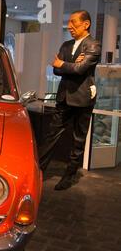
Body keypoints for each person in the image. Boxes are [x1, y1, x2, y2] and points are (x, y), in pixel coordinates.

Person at [39, 10, 101, 190]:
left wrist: (65, 65)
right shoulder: (66, 45)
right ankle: (39, 170)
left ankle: (69, 175)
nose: (69, 26)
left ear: (86, 24)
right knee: (52, 133)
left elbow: (80, 70)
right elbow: (56, 70)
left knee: (78, 139)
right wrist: (69, 66)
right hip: (64, 96)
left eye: (74, 22)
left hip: (83, 98)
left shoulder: (94, 45)